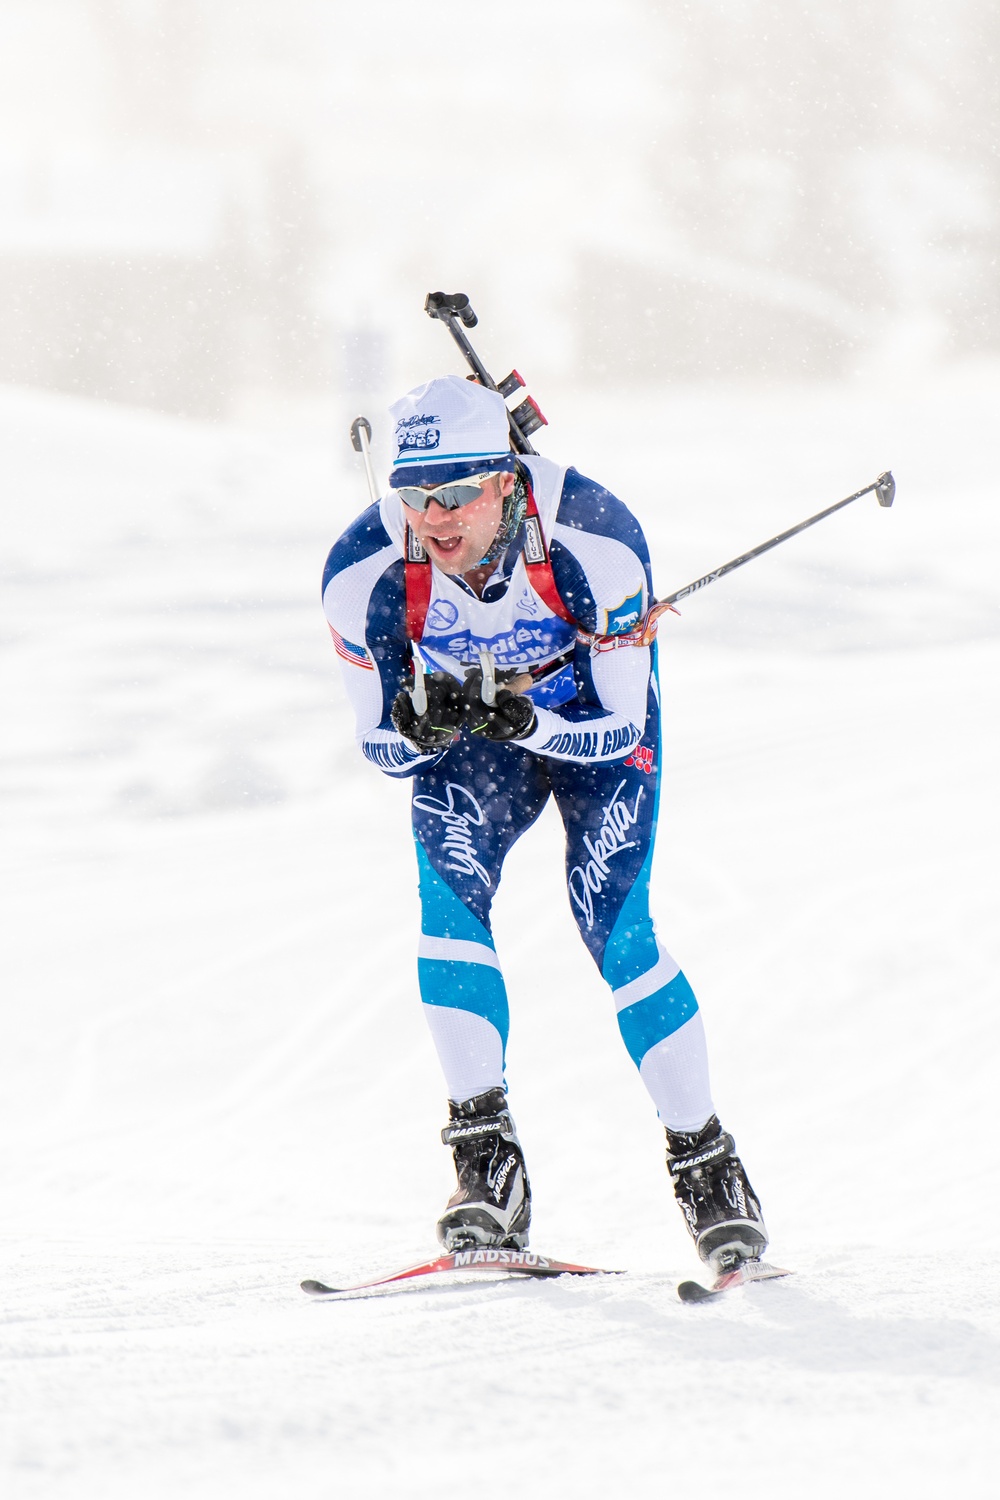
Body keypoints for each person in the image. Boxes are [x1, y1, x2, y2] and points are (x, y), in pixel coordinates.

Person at [322, 375, 767, 1271]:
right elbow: (375, 747)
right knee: (447, 910)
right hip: (475, 746)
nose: (433, 519)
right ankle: (487, 1169)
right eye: (414, 496)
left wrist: (531, 718)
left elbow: (622, 724)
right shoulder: (363, 570)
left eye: (455, 493)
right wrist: (416, 732)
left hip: (587, 729)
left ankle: (709, 1169)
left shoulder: (595, 537)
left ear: (508, 479)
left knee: (618, 929)